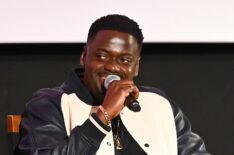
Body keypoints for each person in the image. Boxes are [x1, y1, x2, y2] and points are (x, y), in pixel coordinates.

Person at [17, 14, 210, 155]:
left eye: (125, 60)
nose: (112, 67)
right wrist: (104, 115)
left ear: (136, 67)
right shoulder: (50, 103)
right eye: (102, 56)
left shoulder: (158, 103)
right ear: (84, 56)